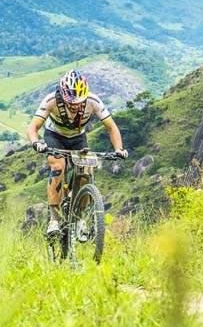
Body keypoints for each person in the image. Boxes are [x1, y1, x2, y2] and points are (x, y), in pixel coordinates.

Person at [26, 69, 128, 236]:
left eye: (79, 102)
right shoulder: (51, 100)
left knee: (87, 171)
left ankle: (79, 218)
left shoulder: (93, 101)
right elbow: (33, 127)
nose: (75, 106)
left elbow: (112, 127)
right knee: (58, 166)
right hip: (55, 136)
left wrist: (118, 149)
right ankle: (54, 220)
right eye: (70, 102)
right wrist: (36, 143)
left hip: (78, 138)